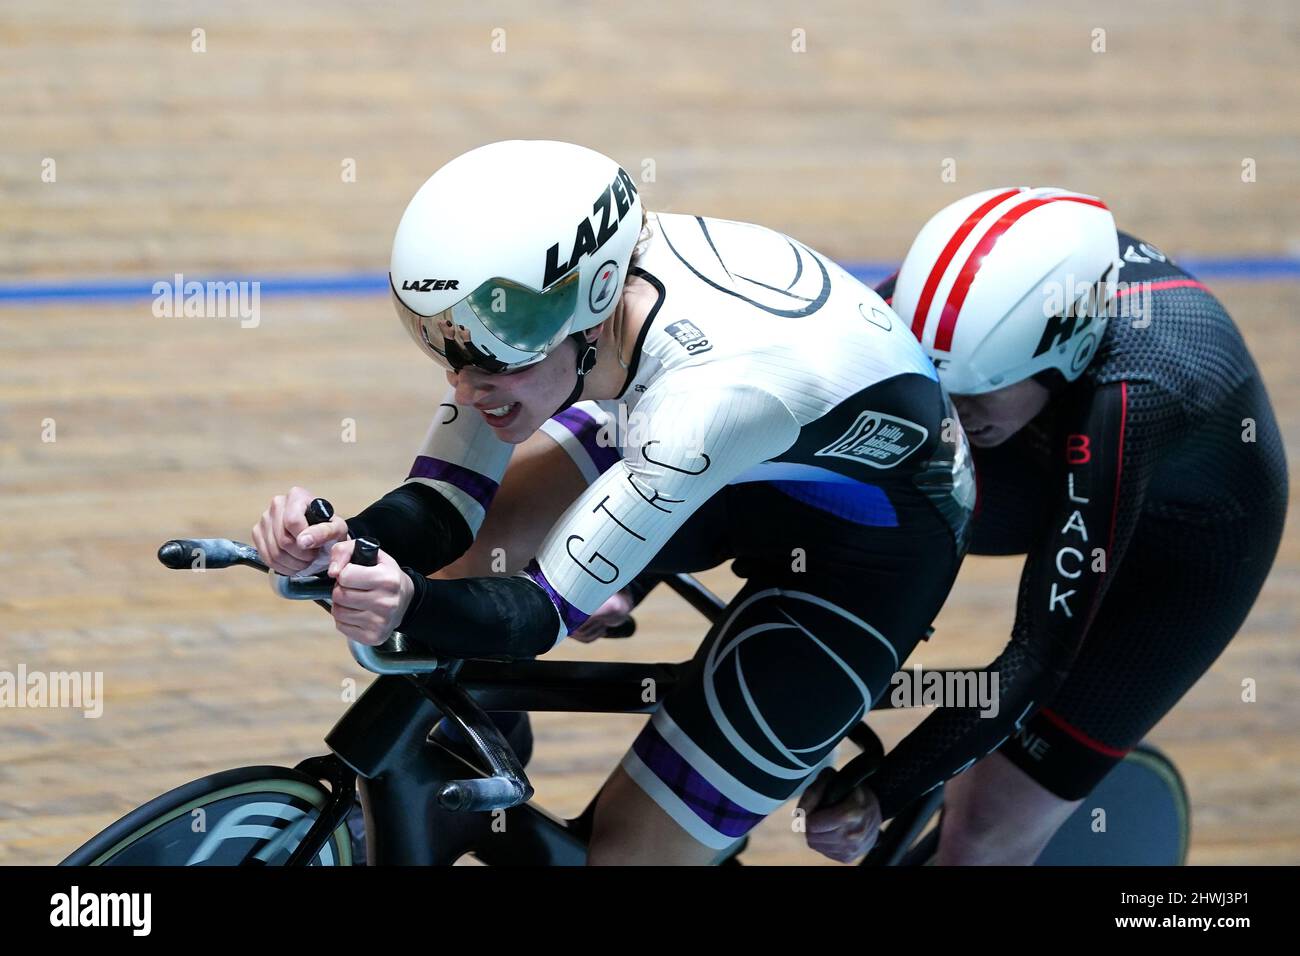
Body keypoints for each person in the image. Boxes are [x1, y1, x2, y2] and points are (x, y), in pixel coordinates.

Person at [251, 140, 975, 864]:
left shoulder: (707, 401)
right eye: (443, 337)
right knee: (467, 566)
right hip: (712, 445)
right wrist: (346, 537)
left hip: (868, 545)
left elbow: (542, 611)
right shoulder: (530, 319)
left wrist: (408, 605)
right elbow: (447, 502)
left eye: (498, 347)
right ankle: (480, 753)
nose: (469, 381)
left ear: (595, 301)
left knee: (626, 859)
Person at [801, 186, 1288, 864]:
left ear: (1065, 357)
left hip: (1184, 550)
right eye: (940, 381)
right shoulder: (929, 312)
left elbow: (1035, 656)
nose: (953, 410)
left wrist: (881, 794)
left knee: (982, 837)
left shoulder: (1130, 393)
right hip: (1036, 465)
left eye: (976, 390)